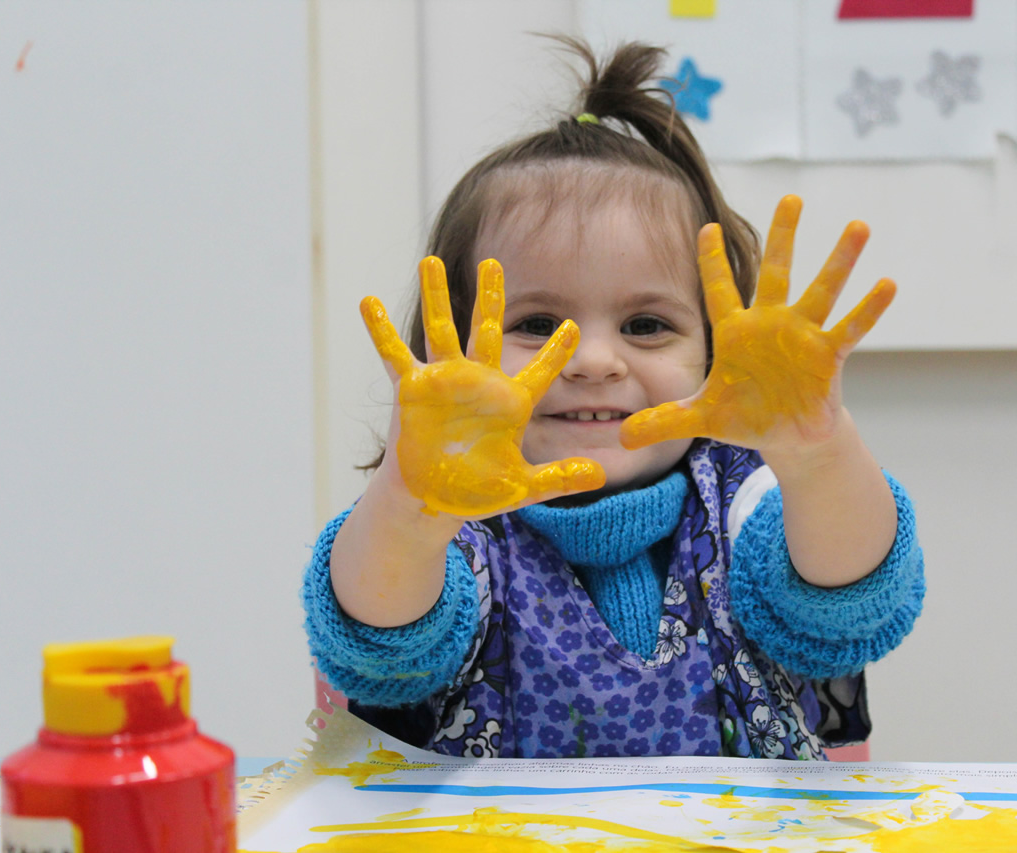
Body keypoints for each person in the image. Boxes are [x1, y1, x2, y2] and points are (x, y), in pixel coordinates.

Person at [302, 38, 924, 760]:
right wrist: (410, 505)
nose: (595, 360)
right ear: (453, 352)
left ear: (715, 352)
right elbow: (379, 646)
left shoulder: (743, 497)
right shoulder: (458, 523)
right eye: (539, 325)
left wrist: (818, 450)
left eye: (646, 325)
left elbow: (847, 603)